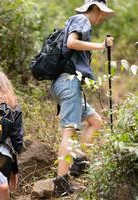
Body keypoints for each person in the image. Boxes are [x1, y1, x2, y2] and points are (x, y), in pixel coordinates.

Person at [49, 0, 115, 197]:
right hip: (69, 84)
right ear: (95, 9)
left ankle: (78, 160)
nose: (102, 18)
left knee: (95, 121)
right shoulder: (82, 20)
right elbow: (71, 43)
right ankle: (61, 181)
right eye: (101, 14)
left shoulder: (79, 21)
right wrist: (101, 45)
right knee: (69, 131)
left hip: (66, 84)